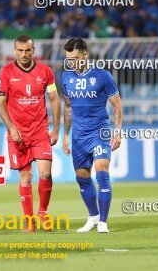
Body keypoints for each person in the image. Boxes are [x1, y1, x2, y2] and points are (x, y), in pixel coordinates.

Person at [0, 34, 61, 232]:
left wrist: (56, 128)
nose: (24, 54)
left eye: (27, 50)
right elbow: (0, 103)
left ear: (34, 51)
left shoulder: (45, 72)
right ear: (15, 51)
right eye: (20, 50)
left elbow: (55, 100)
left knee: (46, 173)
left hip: (40, 131)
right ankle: (28, 220)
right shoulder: (6, 72)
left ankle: (43, 212)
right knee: (25, 178)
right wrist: (12, 127)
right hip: (18, 134)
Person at [61, 38, 123, 234]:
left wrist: (118, 131)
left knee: (101, 172)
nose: (71, 62)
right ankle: (93, 217)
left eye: (75, 58)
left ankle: (103, 222)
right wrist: (65, 135)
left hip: (99, 132)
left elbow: (117, 105)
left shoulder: (102, 76)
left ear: (85, 55)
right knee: (82, 177)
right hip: (78, 136)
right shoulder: (66, 77)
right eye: (68, 59)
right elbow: (68, 107)